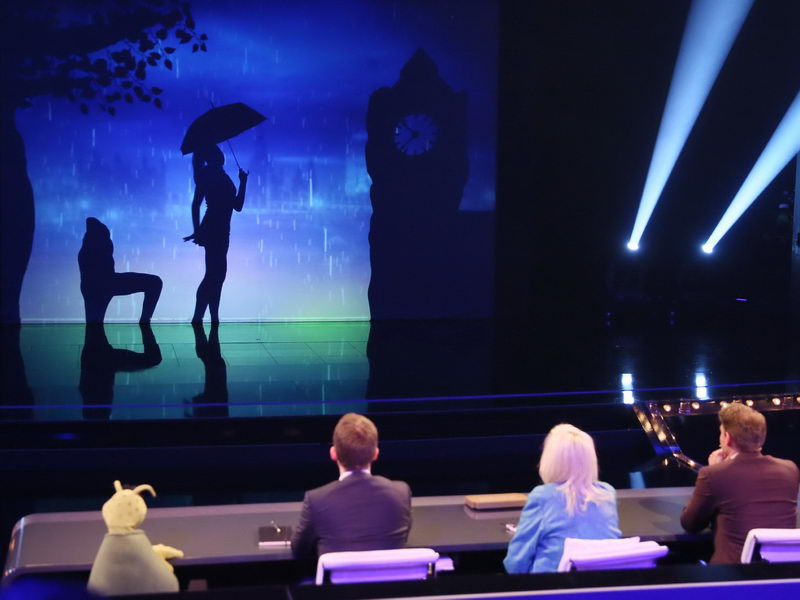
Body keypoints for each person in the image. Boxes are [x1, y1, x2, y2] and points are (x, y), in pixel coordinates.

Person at [681, 403, 799, 563]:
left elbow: (691, 524)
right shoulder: (790, 469)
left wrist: (715, 469)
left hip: (732, 572)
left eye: (721, 433)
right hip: (784, 570)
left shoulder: (714, 474)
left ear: (727, 437)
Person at [291, 413, 412, 559]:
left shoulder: (316, 500)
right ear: (376, 453)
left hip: (339, 575)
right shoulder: (401, 493)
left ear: (333, 453)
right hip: (390, 575)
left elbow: (299, 550)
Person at [504, 424, 620, 574]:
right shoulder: (607, 493)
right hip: (603, 583)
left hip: (552, 585)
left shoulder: (542, 496)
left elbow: (516, 563)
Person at [183, 144, 247, 323]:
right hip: (214, 228)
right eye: (217, 152)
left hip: (222, 230)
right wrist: (197, 230)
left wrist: (243, 182)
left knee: (217, 275)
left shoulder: (220, 173)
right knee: (214, 275)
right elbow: (195, 204)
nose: (220, 154)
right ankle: (201, 317)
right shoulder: (207, 173)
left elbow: (237, 206)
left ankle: (211, 317)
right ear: (211, 156)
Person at [78, 217, 162, 324]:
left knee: (94, 322)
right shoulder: (92, 246)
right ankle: (145, 321)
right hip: (103, 283)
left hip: (105, 283)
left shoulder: (95, 244)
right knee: (94, 322)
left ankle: (145, 321)